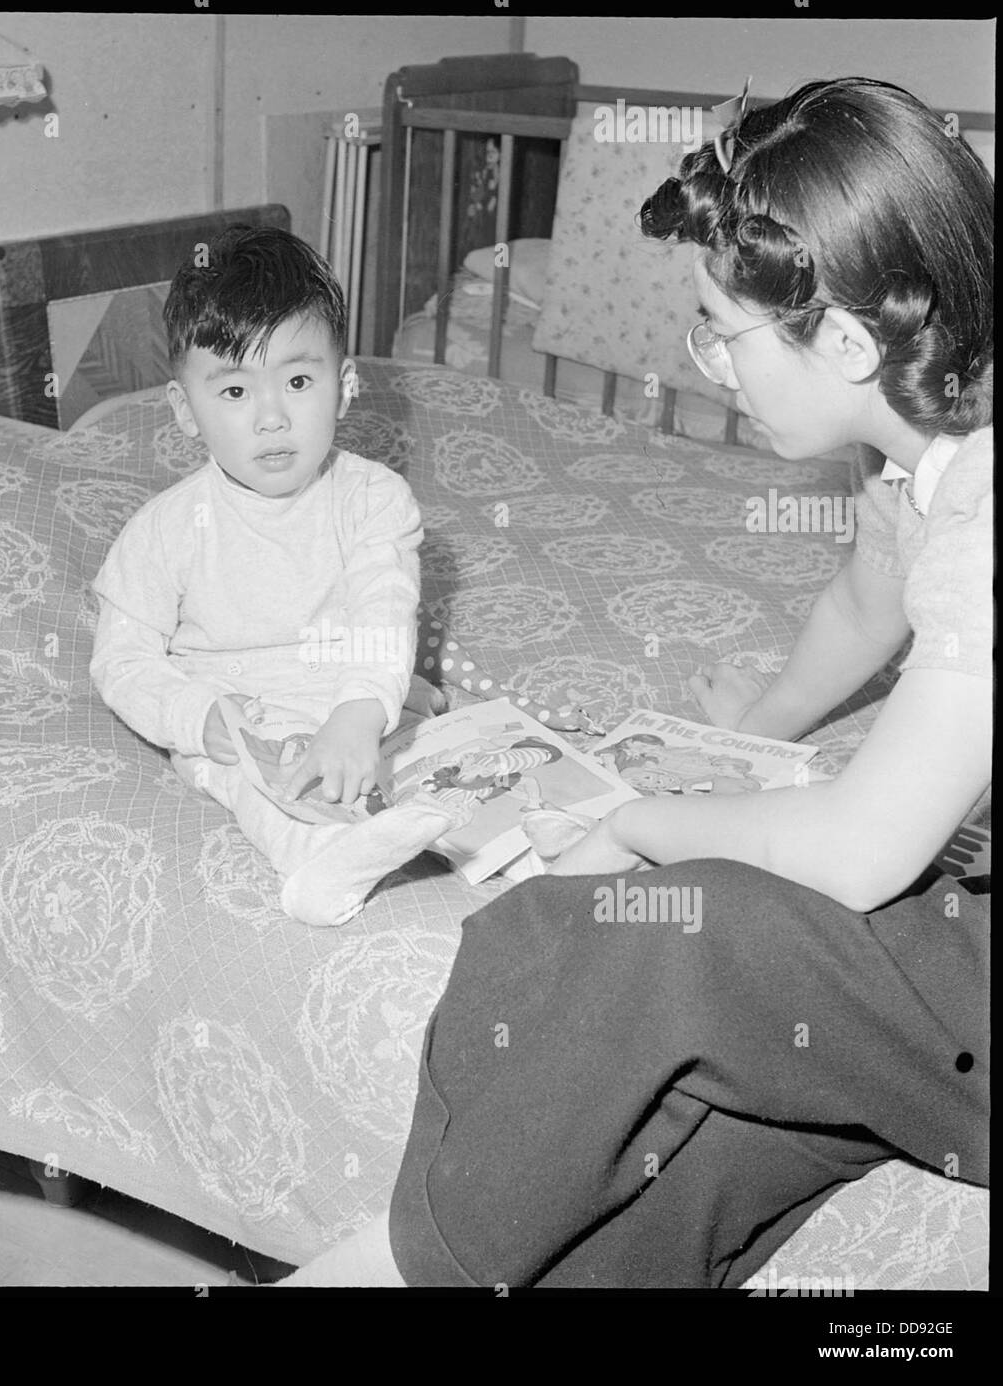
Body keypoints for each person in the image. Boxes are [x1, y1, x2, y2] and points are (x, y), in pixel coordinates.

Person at [276, 76, 991, 1287]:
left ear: (852, 343)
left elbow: (865, 852)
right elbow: (872, 601)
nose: (704, 359)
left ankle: (404, 1268)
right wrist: (752, 732)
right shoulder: (927, 438)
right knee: (683, 1150)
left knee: (652, 936)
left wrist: (636, 822)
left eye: (720, 328)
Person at [89, 225, 457, 928]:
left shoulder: (374, 499)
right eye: (232, 390)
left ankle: (514, 846)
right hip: (243, 716)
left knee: (443, 752)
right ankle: (316, 868)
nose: (271, 418)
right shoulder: (165, 530)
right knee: (259, 783)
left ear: (344, 387)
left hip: (357, 695)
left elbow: (385, 609)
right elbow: (122, 660)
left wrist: (360, 711)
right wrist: (199, 721)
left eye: (297, 380)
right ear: (183, 410)